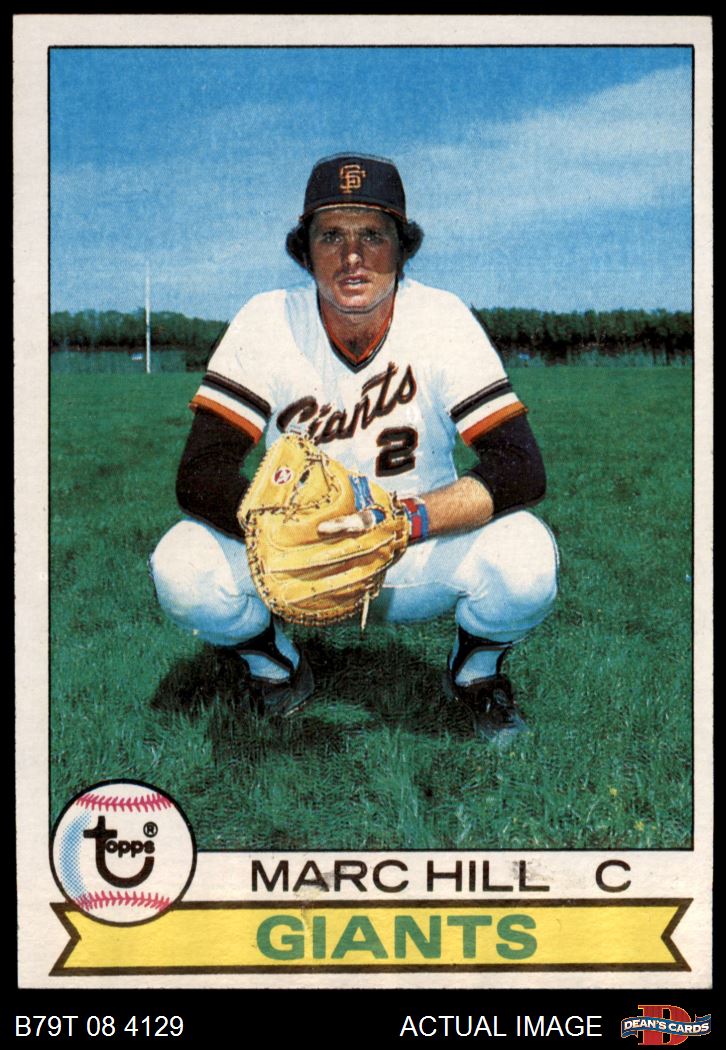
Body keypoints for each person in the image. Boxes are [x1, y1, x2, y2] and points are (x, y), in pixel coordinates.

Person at [150, 153, 559, 745]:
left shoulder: (441, 317)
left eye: (372, 235)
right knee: (180, 564)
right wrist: (289, 530)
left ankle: (476, 673)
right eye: (331, 236)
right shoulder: (267, 319)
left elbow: (520, 466)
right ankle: (275, 666)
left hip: (416, 550)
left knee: (527, 558)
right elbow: (200, 472)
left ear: (401, 248)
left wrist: (403, 520)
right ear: (305, 250)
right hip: (301, 556)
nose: (352, 257)